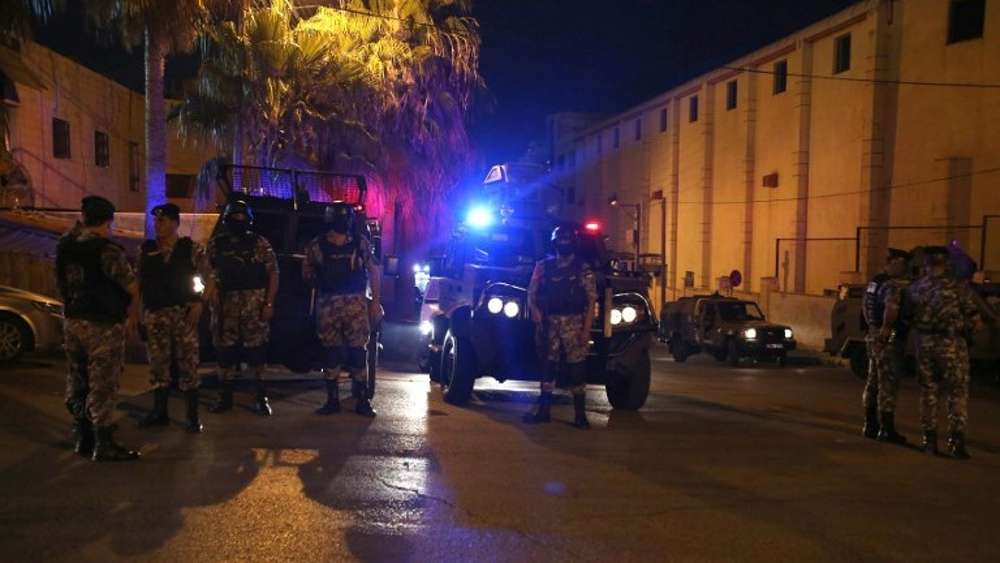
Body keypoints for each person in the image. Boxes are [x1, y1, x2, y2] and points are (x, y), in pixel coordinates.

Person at [56, 196, 140, 462]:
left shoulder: (64, 245)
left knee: (78, 379)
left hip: (73, 321)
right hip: (102, 325)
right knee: (103, 382)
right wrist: (130, 316)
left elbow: (60, 284)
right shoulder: (107, 250)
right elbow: (131, 286)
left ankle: (83, 436)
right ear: (106, 222)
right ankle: (103, 443)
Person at [302, 203, 382, 417]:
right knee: (331, 353)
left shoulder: (359, 243)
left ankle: (362, 400)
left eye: (347, 219)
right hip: (328, 304)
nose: (344, 223)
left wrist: (375, 303)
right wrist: (317, 278)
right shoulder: (317, 246)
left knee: (358, 352)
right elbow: (307, 273)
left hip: (355, 305)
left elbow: (374, 271)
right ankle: (332, 399)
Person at [136, 203, 207, 433]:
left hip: (182, 314)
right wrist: (137, 314)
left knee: (189, 364)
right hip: (156, 314)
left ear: (176, 223)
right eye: (156, 221)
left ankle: (193, 416)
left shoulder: (191, 249)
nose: (158, 225)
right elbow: (138, 284)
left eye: (163, 221)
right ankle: (160, 412)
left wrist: (200, 302)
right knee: (158, 365)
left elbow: (210, 277)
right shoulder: (146, 250)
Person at [205, 200, 279, 416]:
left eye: (241, 218)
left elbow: (274, 273)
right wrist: (211, 297)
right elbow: (207, 272)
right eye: (234, 218)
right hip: (225, 305)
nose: (238, 222)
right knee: (224, 352)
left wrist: (269, 303)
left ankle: (261, 397)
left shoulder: (259, 243)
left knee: (257, 352)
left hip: (253, 305)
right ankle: (225, 397)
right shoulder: (216, 245)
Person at [908, 246, 982, 459]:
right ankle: (956, 442)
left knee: (928, 393)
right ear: (946, 264)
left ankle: (928, 441)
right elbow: (976, 323)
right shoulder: (958, 288)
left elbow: (906, 316)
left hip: (924, 345)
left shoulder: (915, 288)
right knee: (957, 393)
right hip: (951, 345)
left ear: (926, 265)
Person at [524, 225, 598, 429]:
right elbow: (531, 292)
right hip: (550, 322)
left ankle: (580, 415)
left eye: (568, 241)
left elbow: (592, 301)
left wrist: (586, 330)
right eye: (561, 241)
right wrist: (536, 312)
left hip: (574, 323)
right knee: (548, 367)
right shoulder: (543, 266)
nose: (564, 244)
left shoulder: (582, 269)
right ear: (555, 243)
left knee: (577, 369)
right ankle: (544, 411)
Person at [860, 248, 911, 444]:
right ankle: (887, 429)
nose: (905, 270)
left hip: (872, 336)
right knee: (888, 383)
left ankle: (869, 425)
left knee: (873, 380)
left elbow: (866, 307)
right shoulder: (892, 286)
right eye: (903, 265)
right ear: (895, 264)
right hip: (887, 339)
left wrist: (873, 328)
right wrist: (886, 329)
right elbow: (891, 308)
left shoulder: (875, 282)